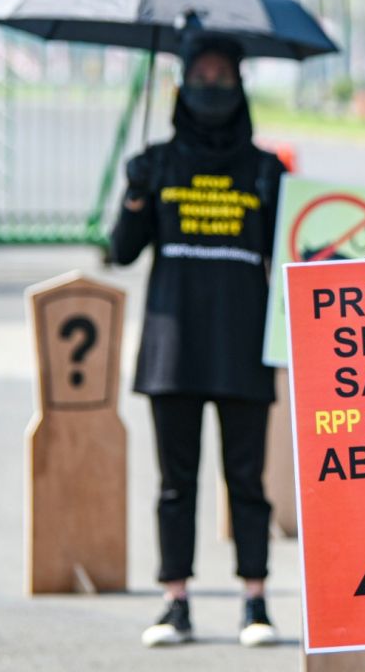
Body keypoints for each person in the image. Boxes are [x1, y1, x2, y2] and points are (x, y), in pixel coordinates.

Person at [109, 32, 286, 648]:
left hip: (243, 345)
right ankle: (175, 602)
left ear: (240, 88)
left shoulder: (266, 169)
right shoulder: (154, 163)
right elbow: (121, 251)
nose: (212, 87)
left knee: (248, 484)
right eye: (201, 76)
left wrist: (282, 200)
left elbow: (291, 256)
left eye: (223, 76)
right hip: (173, 347)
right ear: (182, 86)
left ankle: (255, 603)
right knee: (174, 483)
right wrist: (134, 196)